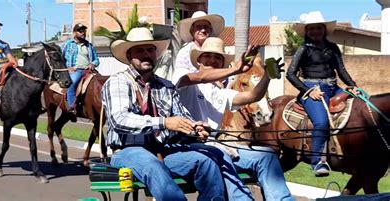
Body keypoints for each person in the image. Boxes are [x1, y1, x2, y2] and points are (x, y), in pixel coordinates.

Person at [101, 27, 225, 201]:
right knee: (153, 166)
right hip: (127, 151)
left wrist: (195, 128)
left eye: (150, 50)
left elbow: (181, 119)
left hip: (163, 150)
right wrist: (164, 123)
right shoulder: (118, 82)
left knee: (206, 163)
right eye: (139, 50)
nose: (146, 54)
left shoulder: (166, 86)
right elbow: (119, 120)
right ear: (129, 56)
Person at [172, 37, 294, 201]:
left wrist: (267, 77)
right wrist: (236, 70)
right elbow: (200, 77)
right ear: (199, 60)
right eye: (208, 56)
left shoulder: (220, 92)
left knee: (268, 156)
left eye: (218, 58)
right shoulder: (183, 77)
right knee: (217, 153)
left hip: (218, 146)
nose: (213, 60)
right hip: (189, 146)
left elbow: (253, 95)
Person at [286, 11, 358, 177]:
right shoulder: (303, 49)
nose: (315, 32)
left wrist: (353, 86)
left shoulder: (332, 48)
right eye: (312, 29)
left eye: (319, 28)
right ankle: (318, 161)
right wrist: (308, 91)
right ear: (307, 31)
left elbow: (341, 70)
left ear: (324, 30)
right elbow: (290, 74)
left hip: (334, 87)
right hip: (313, 89)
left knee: (365, 103)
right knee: (321, 122)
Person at [61, 23, 99, 115]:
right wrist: (67, 68)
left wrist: (92, 64)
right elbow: (59, 58)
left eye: (84, 31)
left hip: (89, 71)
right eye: (80, 31)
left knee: (101, 84)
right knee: (72, 84)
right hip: (76, 70)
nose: (83, 33)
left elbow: (96, 59)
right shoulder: (67, 44)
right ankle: (72, 107)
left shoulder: (89, 46)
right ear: (74, 33)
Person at [174, 11, 224, 78]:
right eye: (198, 27)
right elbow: (181, 78)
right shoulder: (184, 52)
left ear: (211, 30)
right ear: (192, 31)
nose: (203, 30)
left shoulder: (217, 48)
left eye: (206, 27)